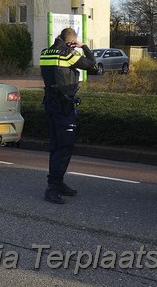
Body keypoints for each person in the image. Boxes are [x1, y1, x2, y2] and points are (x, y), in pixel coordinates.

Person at [39, 27, 98, 204]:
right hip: (63, 105)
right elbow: (92, 65)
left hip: (50, 103)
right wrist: (84, 46)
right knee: (65, 146)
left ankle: (58, 182)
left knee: (56, 146)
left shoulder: (45, 53)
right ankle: (52, 186)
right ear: (72, 41)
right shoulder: (67, 54)